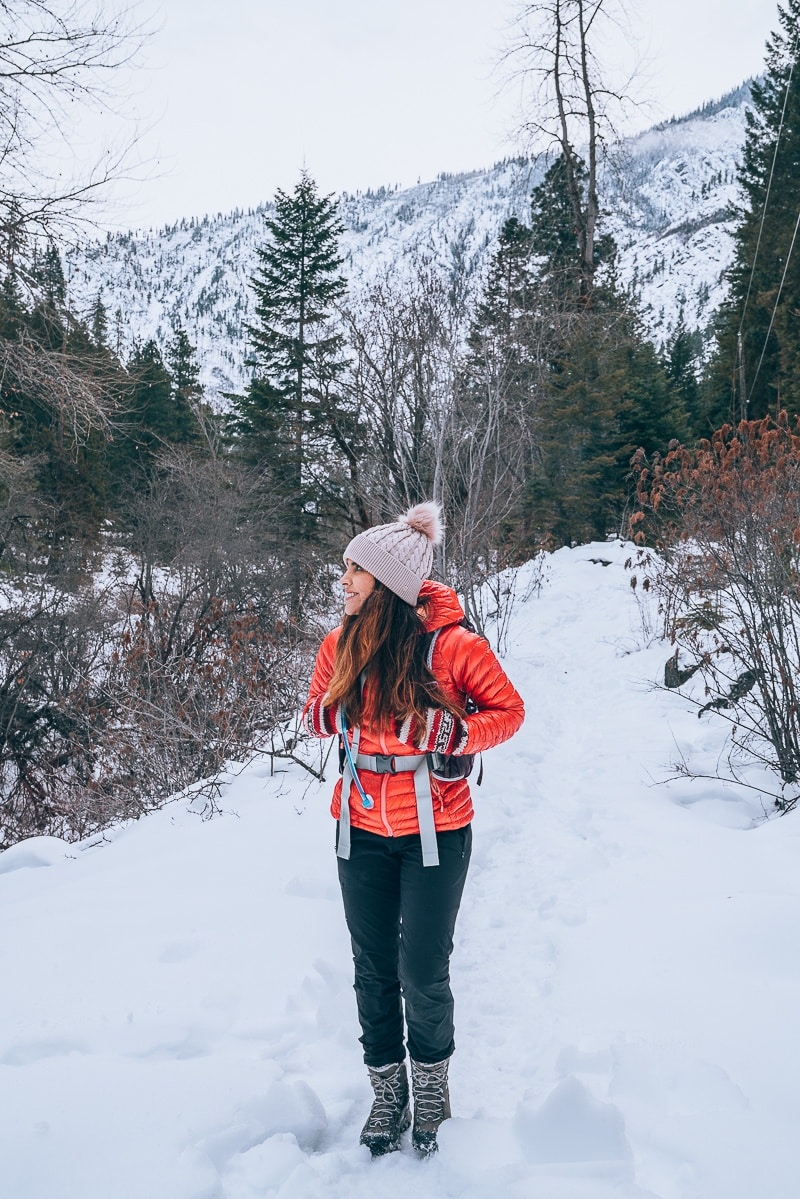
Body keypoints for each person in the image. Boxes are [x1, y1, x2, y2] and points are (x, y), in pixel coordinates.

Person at [302, 501, 524, 1156]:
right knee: (373, 970)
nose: (343, 581)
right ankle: (387, 1090)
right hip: (359, 828)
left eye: (354, 571)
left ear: (387, 583)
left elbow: (508, 711)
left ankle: (431, 1085)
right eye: (345, 569)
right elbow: (313, 710)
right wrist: (335, 717)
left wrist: (456, 731)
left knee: (422, 968)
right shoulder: (340, 642)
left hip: (436, 828)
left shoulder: (454, 646)